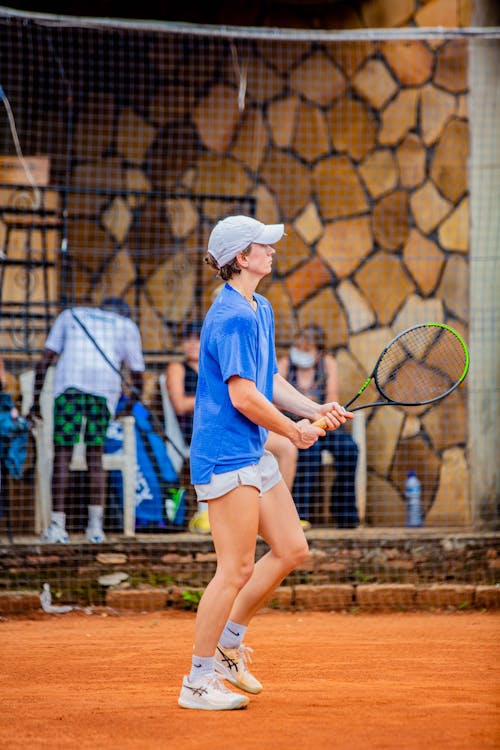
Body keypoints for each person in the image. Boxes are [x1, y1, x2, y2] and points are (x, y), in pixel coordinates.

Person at [177, 215, 353, 711]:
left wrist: (314, 409)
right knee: (233, 569)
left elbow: (268, 379)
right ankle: (196, 681)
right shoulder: (230, 315)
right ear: (240, 258)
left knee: (292, 547)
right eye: (264, 245)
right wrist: (292, 431)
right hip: (225, 455)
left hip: (251, 452)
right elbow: (243, 396)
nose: (273, 250)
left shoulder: (261, 307)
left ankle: (230, 643)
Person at [30, 296, 145, 544]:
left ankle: (57, 527)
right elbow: (138, 375)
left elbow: (45, 360)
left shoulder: (71, 315)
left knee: (62, 454)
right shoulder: (125, 325)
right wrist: (129, 407)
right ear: (125, 313)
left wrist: (35, 401)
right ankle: (95, 529)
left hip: (69, 389)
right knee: (96, 456)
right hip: (103, 393)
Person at [279, 324, 359, 528]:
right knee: (308, 450)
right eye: (298, 348)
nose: (301, 353)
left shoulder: (327, 364)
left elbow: (332, 397)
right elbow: (274, 402)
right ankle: (299, 513)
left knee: (349, 449)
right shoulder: (285, 364)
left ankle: (345, 513)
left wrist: (321, 419)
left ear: (318, 351)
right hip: (295, 426)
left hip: (324, 424)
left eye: (307, 349)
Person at [166, 319, 210, 534]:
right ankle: (205, 513)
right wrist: (213, 398)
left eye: (198, 339)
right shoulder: (177, 367)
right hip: (190, 431)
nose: (193, 344)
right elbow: (180, 404)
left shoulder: (213, 366)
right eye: (188, 340)